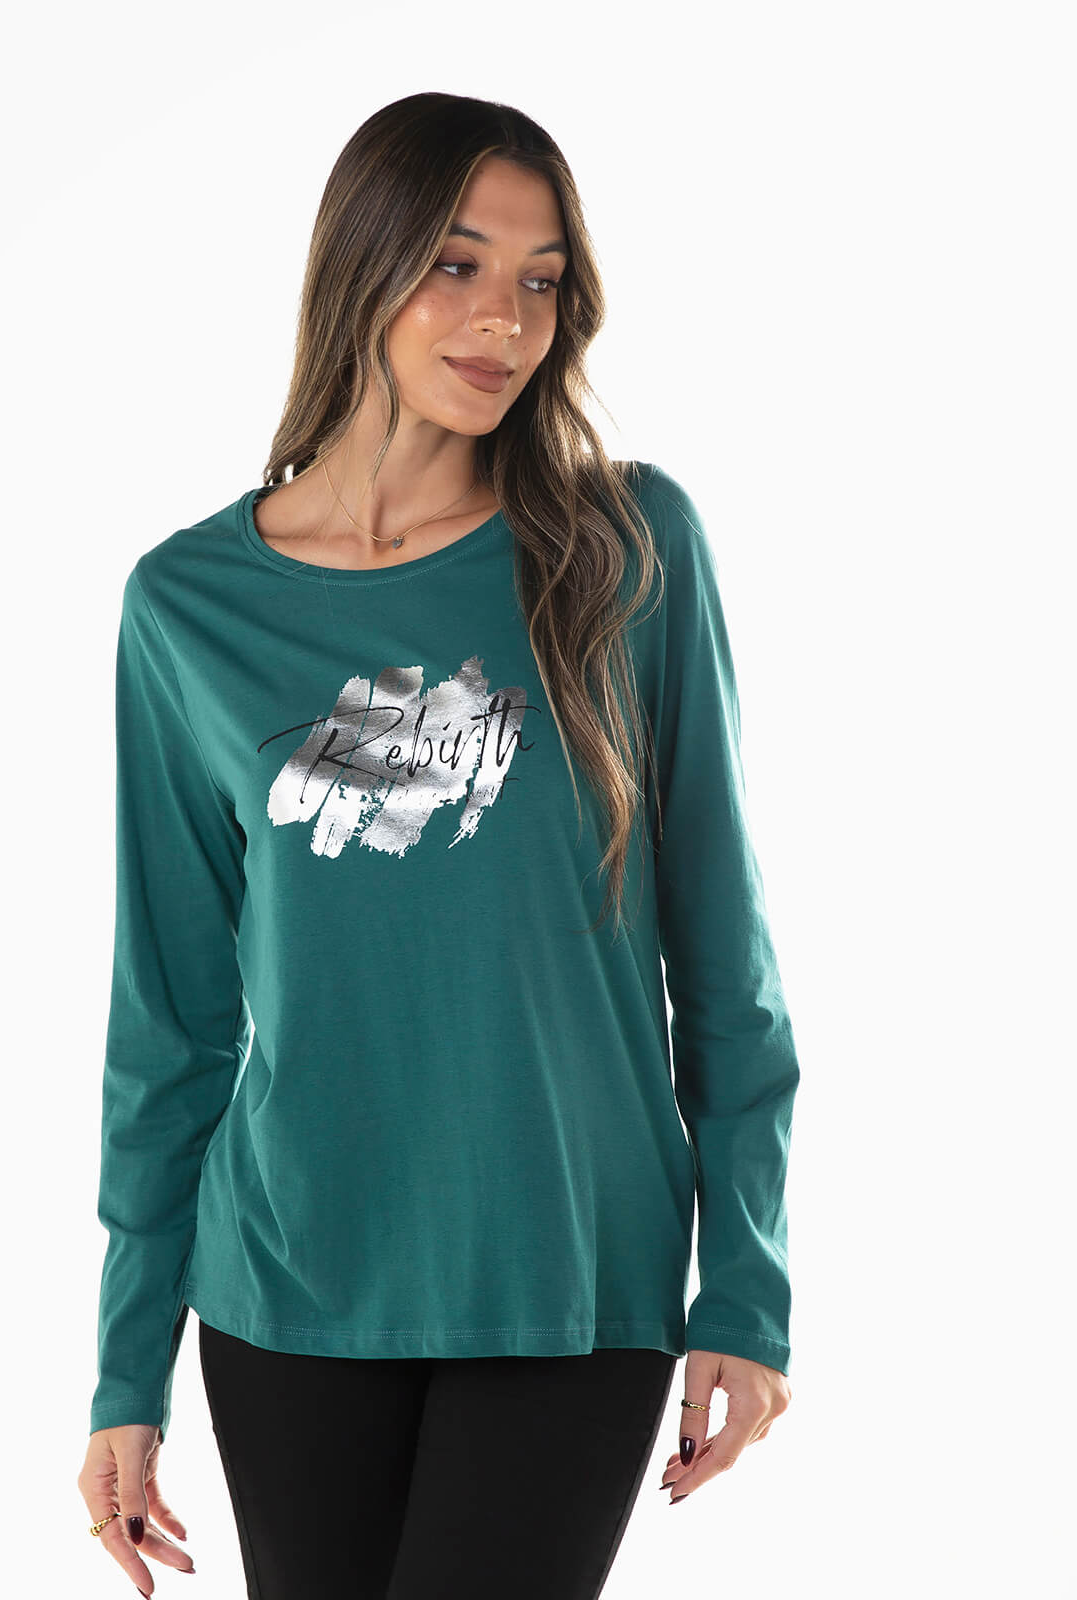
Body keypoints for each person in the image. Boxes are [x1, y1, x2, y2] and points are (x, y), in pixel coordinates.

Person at [76, 91, 800, 1600]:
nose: (504, 322)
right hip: (289, 1285)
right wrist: (125, 1367)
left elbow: (724, 957)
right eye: (457, 266)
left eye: (541, 280)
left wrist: (745, 1284)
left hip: (568, 1271)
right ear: (365, 263)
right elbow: (171, 1022)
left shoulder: (624, 552)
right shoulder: (190, 608)